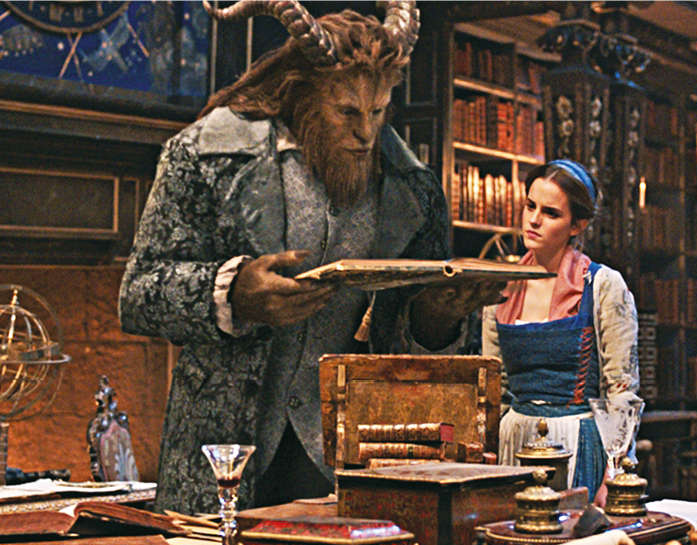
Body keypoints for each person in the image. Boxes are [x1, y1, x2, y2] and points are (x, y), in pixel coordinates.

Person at [119, 1, 502, 515]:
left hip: (352, 459)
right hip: (225, 452)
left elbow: (411, 347)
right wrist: (233, 294)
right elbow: (138, 293)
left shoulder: (412, 189)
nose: (366, 133)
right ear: (301, 94)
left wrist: (438, 317)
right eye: (347, 112)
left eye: (378, 111)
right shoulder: (205, 157)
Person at [481, 160, 640, 506]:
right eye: (530, 206)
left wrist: (614, 469)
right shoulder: (500, 287)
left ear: (577, 225)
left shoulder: (602, 285)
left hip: (575, 441)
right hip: (514, 443)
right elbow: (494, 389)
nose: (534, 220)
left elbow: (620, 388)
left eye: (550, 213)